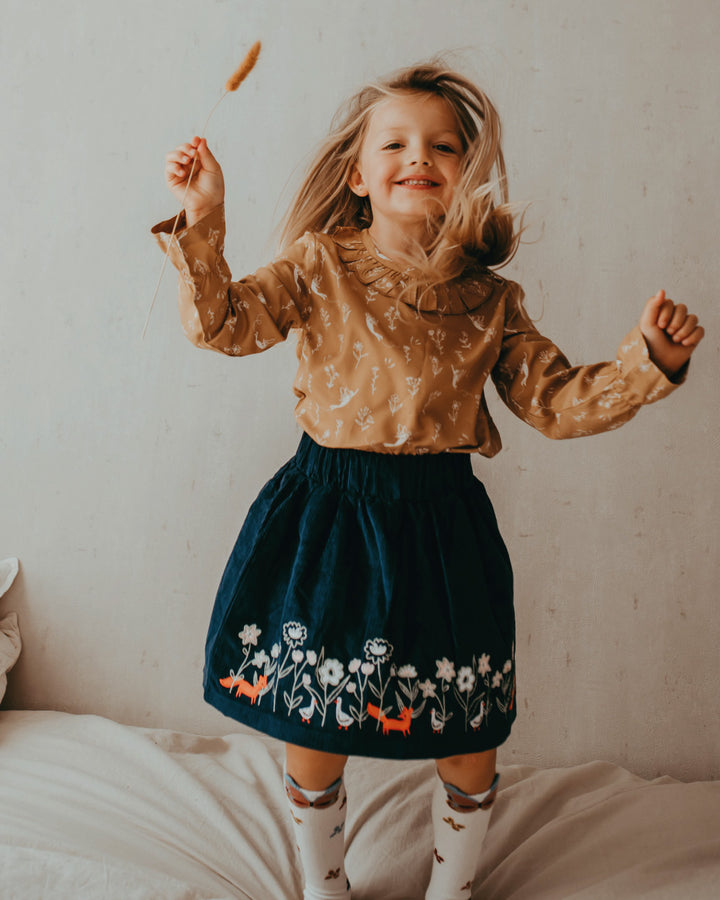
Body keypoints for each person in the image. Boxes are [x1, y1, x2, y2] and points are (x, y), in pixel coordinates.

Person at [152, 62, 703, 900]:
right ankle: (324, 882)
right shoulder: (317, 264)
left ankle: (454, 889)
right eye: (397, 143)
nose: (421, 157)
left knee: (468, 724)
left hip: (444, 527)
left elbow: (552, 403)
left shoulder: (492, 301)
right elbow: (222, 324)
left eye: (444, 146)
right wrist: (204, 216)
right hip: (328, 516)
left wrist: (647, 364)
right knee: (315, 715)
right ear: (359, 175)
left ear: (467, 178)